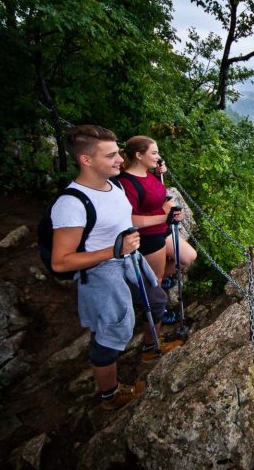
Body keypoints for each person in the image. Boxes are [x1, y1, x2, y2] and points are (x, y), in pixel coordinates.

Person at [50, 125, 154, 409]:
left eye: (117, 152)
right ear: (86, 160)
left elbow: (123, 218)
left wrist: (163, 218)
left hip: (129, 260)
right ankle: (110, 394)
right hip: (101, 272)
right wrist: (114, 250)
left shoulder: (114, 184)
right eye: (110, 156)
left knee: (155, 301)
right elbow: (60, 261)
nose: (120, 159)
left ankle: (150, 350)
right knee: (111, 333)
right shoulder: (71, 204)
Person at [119, 136, 196, 332]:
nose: (159, 157)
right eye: (154, 153)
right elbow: (130, 219)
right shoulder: (127, 184)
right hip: (149, 237)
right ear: (138, 155)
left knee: (188, 257)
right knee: (157, 282)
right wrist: (164, 215)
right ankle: (156, 321)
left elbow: (155, 196)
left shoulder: (148, 173)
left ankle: (158, 280)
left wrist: (160, 173)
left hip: (162, 230)